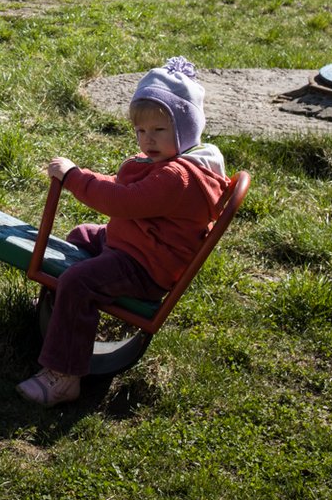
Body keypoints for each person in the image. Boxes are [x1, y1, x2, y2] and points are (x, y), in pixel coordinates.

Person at [19, 57, 230, 407]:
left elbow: (122, 201)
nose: (148, 140)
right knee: (83, 235)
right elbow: (125, 194)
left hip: (144, 266)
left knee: (78, 280)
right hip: (134, 243)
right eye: (141, 130)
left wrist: (74, 177)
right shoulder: (177, 163)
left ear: (186, 128)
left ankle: (63, 376)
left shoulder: (176, 177)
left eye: (160, 130)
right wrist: (90, 179)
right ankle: (63, 315)